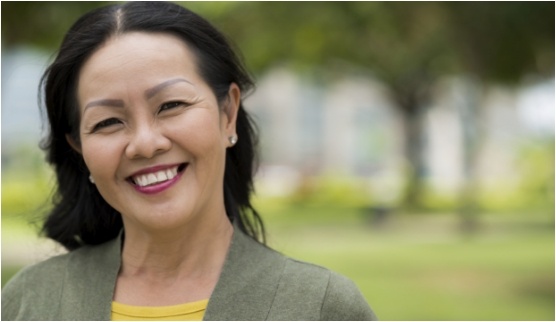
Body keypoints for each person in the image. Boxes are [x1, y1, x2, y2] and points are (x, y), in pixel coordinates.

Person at [1, 2, 377, 320]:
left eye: (171, 105)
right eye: (108, 122)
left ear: (227, 113)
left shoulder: (320, 307)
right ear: (78, 148)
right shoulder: (29, 303)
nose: (145, 144)